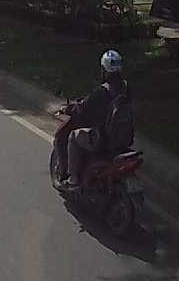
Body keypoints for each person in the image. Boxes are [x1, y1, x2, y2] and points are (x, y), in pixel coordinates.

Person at [55, 50, 132, 189]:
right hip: (123, 138)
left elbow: (83, 108)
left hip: (103, 139)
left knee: (73, 136)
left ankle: (73, 179)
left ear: (104, 70)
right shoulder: (126, 88)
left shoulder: (102, 91)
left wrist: (68, 109)